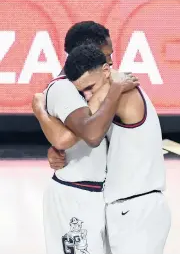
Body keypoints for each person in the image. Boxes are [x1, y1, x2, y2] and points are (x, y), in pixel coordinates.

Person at [46, 43, 171, 254]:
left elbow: (81, 136)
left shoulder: (117, 91)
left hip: (136, 208)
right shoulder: (115, 89)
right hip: (130, 207)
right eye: (82, 91)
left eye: (90, 88)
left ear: (105, 71)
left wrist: (40, 109)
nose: (87, 96)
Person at [32, 21, 138, 254]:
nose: (110, 62)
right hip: (75, 195)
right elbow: (86, 133)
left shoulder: (91, 87)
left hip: (96, 194)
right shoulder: (63, 88)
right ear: (86, 50)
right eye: (106, 55)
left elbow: (65, 138)